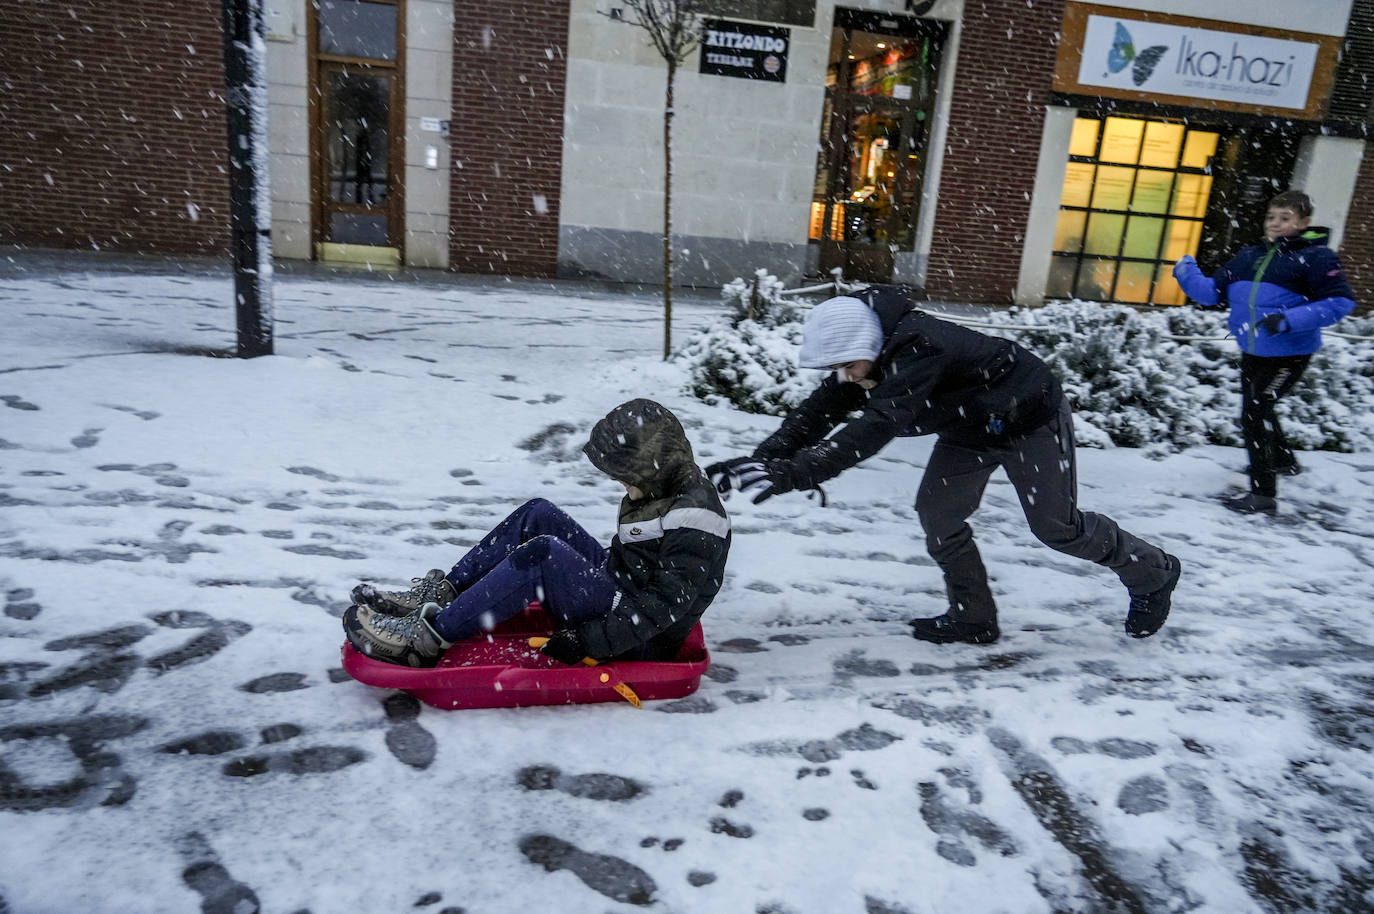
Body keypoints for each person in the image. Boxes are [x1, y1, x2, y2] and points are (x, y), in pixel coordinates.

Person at [706, 288, 1180, 646]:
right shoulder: (868, 352)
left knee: (1056, 527)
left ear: (866, 344)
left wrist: (798, 473)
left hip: (1028, 417)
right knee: (939, 513)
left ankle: (1154, 572)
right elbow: (817, 413)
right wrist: (763, 458)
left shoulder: (919, 349)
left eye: (849, 365)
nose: (847, 376)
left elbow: (876, 426)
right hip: (971, 424)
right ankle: (973, 616)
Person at [343, 399, 731, 668]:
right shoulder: (665, 482)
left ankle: (423, 641)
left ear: (652, 469)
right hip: (621, 590)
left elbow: (660, 608)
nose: (618, 483)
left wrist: (588, 641)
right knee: (538, 514)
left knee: (544, 555)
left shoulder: (695, 520)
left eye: (624, 477)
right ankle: (442, 594)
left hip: (637, 639)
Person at [1173, 189, 1357, 515]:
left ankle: (1263, 494)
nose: (1276, 224)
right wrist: (1186, 269)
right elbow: (1210, 292)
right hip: (1253, 350)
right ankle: (1283, 461)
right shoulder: (1250, 256)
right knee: (1260, 408)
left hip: (1290, 354)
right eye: (1271, 217)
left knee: (1255, 412)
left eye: (1285, 218)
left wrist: (1286, 321)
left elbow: (1339, 303)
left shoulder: (1316, 257)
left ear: (1304, 222)